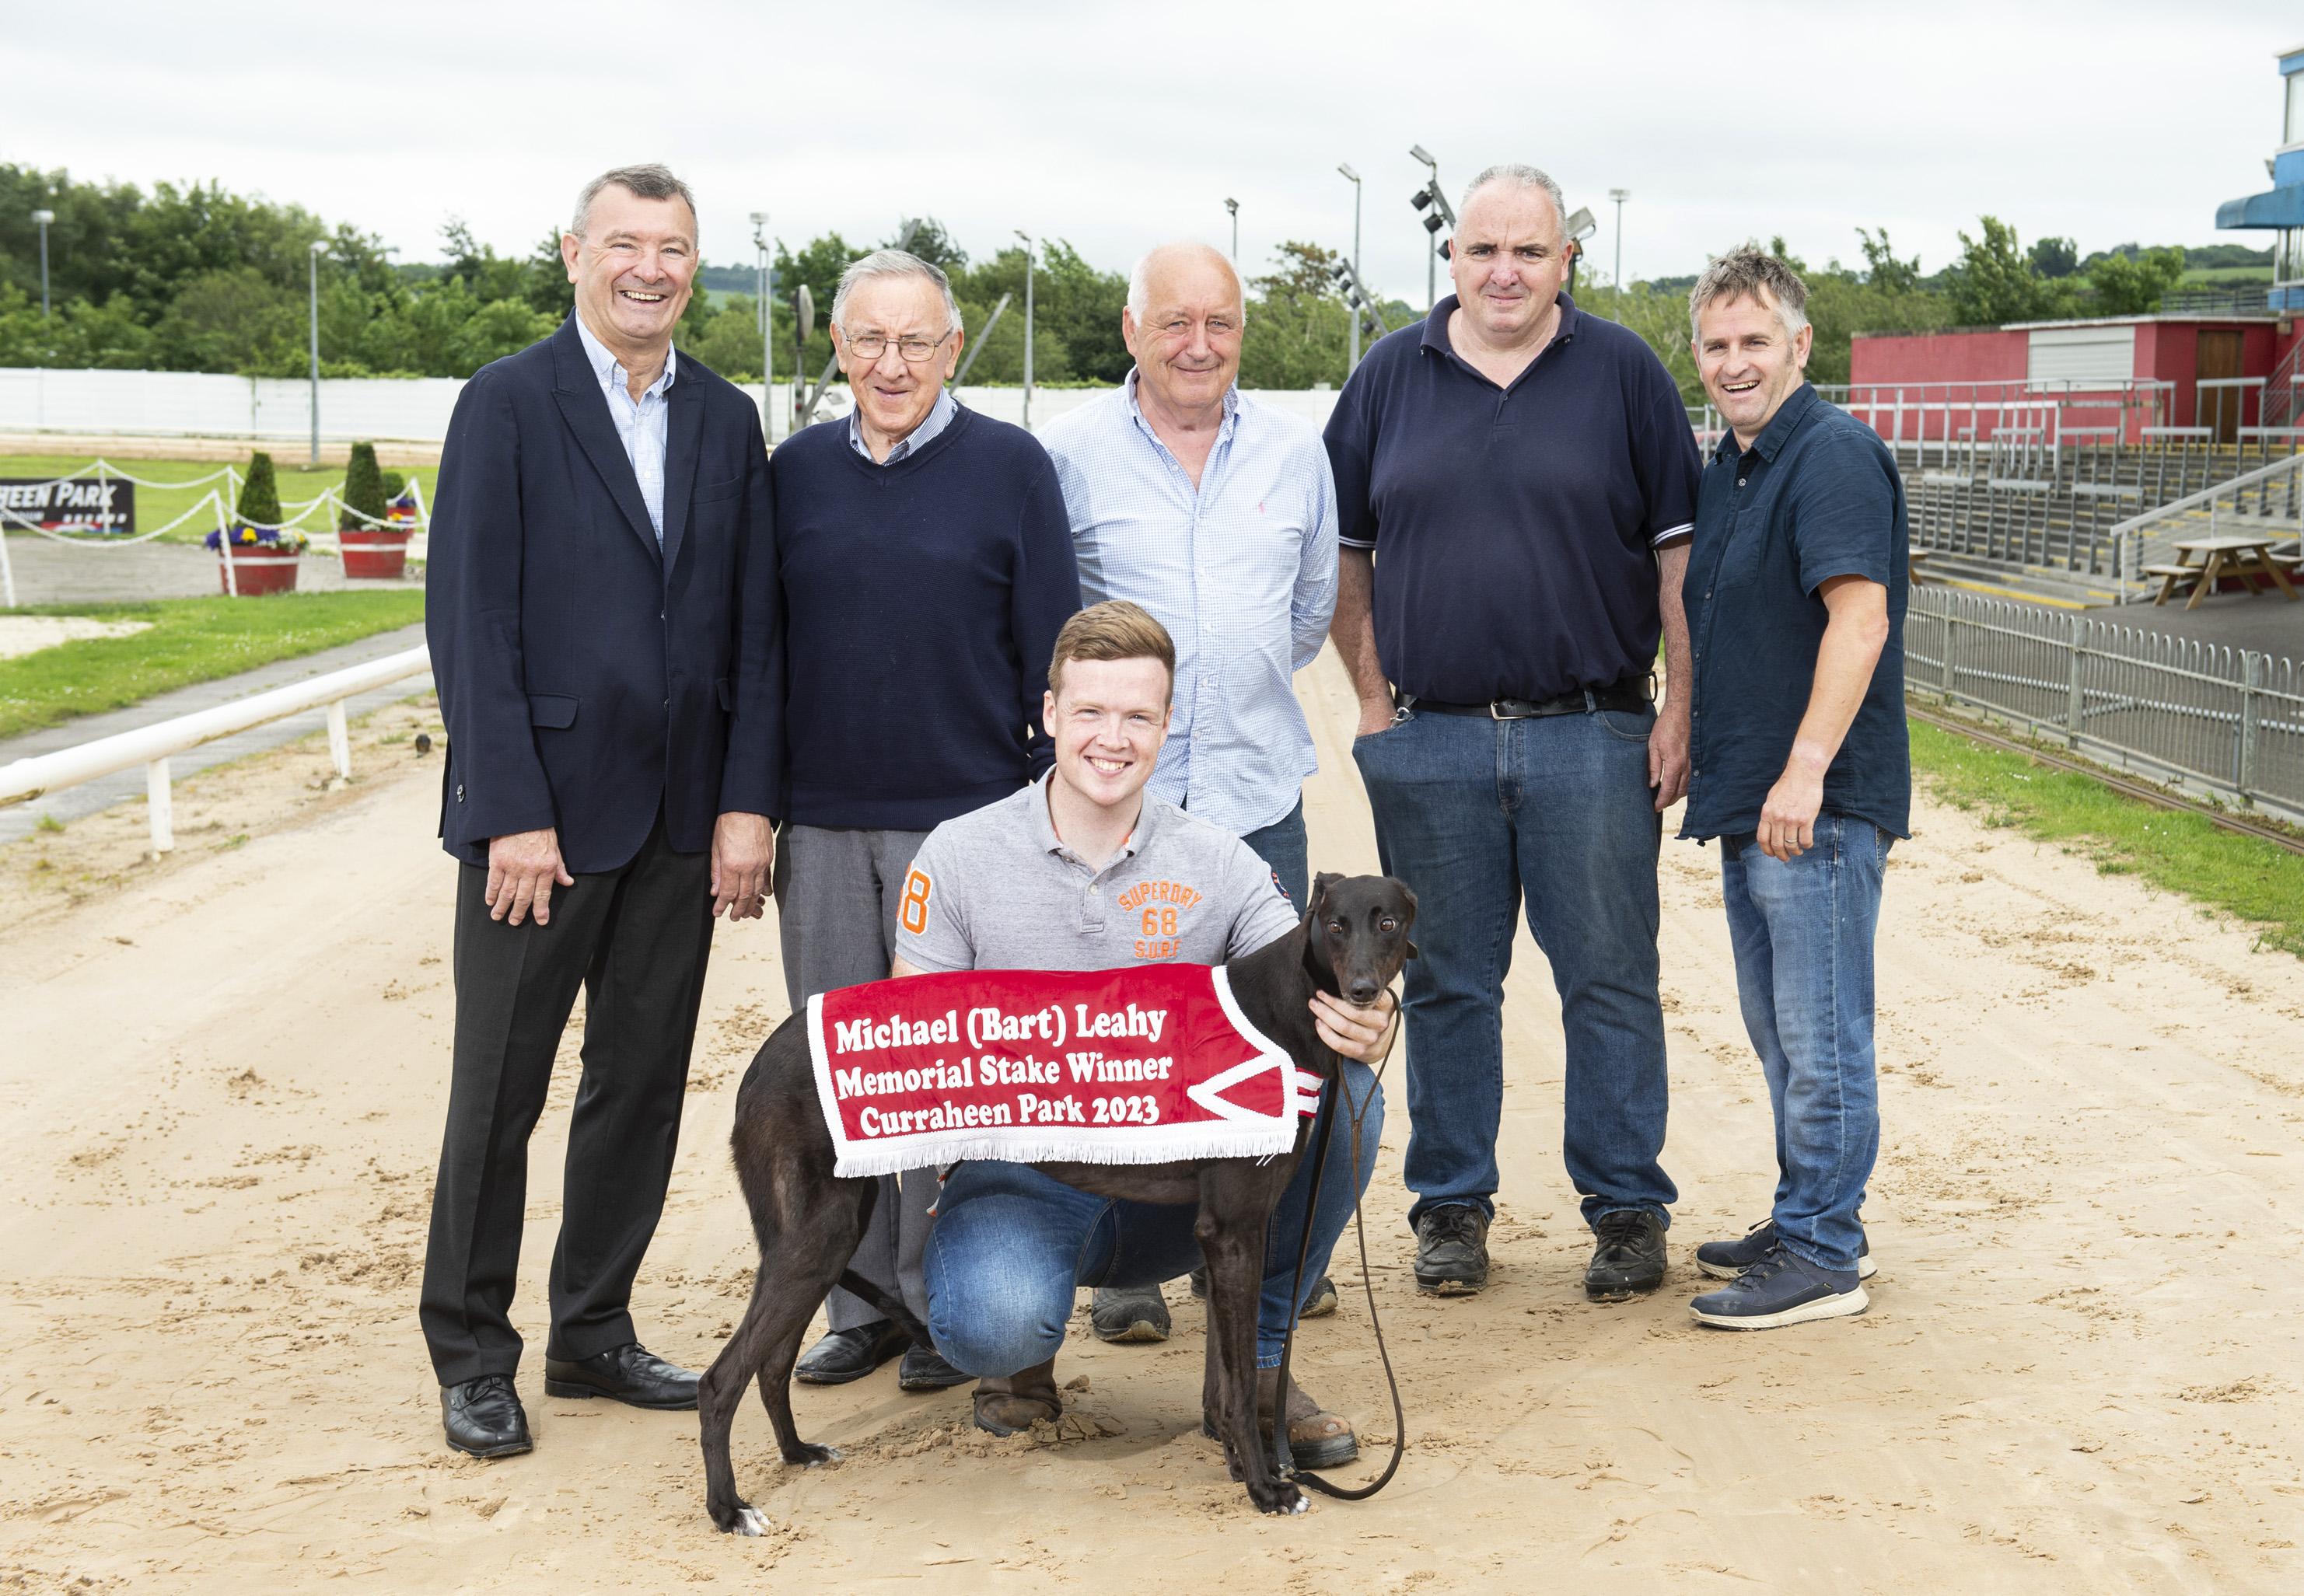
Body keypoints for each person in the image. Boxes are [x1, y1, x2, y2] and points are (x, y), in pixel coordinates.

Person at [420, 163, 780, 1459]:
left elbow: (753, 633)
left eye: (672, 248)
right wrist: (512, 807)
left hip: (682, 824)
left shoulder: (728, 420)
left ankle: (592, 1329)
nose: (648, 267)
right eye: (624, 243)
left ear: (695, 266)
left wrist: (746, 805)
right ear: (572, 253)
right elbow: (472, 620)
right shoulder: (507, 405)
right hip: (542, 832)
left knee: (635, 1089)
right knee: (498, 1093)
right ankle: (470, 1349)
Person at [1323, 162, 1701, 1304]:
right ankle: (1450, 1206)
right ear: (1449, 259)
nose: (1503, 271)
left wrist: (1678, 706)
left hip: (1587, 733)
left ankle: (1626, 1205)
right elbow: (1344, 554)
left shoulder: (1623, 372)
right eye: (1482, 250)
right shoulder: (1389, 374)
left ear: (1563, 261)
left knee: (1608, 979)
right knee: (1444, 986)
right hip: (1429, 738)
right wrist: (1374, 698)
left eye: (1527, 252)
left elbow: (1676, 557)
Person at [895, 601, 1396, 1462]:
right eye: (1088, 711)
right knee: (992, 1319)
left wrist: (1369, 1016)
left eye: (1137, 715)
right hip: (1028, 1172)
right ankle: (1021, 1362)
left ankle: (1257, 1368)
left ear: (1167, 726)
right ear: (1049, 714)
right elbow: (921, 1043)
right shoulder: (956, 854)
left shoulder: (1219, 859)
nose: (1111, 738)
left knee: (1348, 1093)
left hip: (1181, 1173)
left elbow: (1305, 977)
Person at [767, 249, 1081, 1393]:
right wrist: (752, 809)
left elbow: (1052, 654)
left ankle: (946, 1298)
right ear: (838, 350)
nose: (890, 363)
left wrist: (1046, 823)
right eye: (867, 341)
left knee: (951, 1079)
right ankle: (865, 1305)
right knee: (845, 1075)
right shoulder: (792, 472)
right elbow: (760, 655)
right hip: (823, 824)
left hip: (965, 831)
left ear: (953, 350)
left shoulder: (1011, 468)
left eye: (915, 342)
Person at [1037, 240, 1341, 1345]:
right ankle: (1129, 1266)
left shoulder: (1294, 453)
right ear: (1131, 329)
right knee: (1134, 1050)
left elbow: (1306, 612)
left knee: (1287, 1051)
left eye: (1217, 322)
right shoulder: (1069, 453)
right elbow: (1048, 616)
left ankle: (1264, 1277)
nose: (1197, 344)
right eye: (1173, 322)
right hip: (1125, 823)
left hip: (1259, 806)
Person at [1676, 246, 1907, 1329]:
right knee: (1779, 1031)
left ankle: (1823, 1249)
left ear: (1799, 345)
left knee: (1821, 1037)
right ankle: (1805, 1209)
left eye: (1753, 341)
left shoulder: (1830, 456)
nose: (1733, 362)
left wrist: (1804, 770)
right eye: (1715, 345)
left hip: (1809, 805)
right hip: (1751, 798)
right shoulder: (1730, 464)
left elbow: (1858, 619)